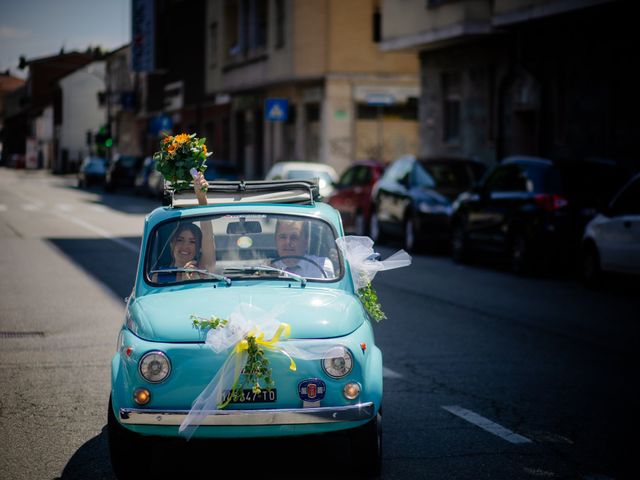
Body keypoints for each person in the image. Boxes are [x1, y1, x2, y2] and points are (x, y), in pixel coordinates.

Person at [153, 172, 216, 282]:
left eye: (192, 242)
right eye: (180, 240)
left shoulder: (202, 272)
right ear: (172, 244)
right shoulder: (157, 277)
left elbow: (207, 233)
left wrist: (202, 198)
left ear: (198, 248)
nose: (185, 246)